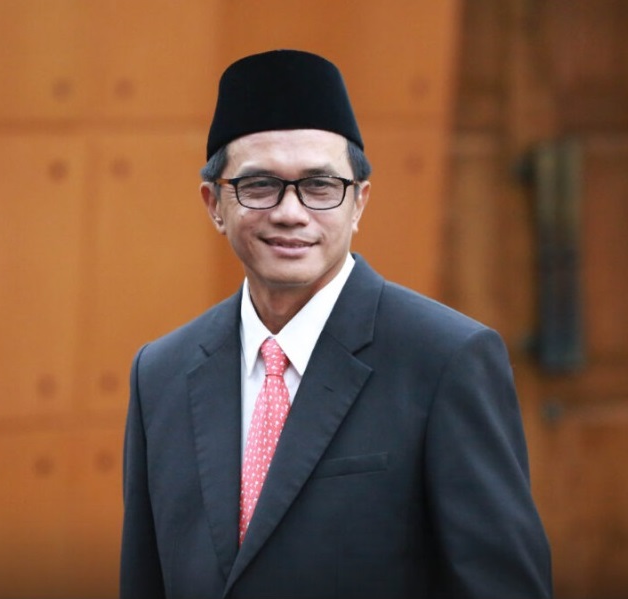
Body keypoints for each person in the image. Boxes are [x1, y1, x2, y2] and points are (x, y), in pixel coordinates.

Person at [120, 49, 552, 599]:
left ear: (359, 202)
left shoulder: (446, 360)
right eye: (259, 185)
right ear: (214, 204)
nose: (290, 213)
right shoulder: (160, 373)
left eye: (320, 186)